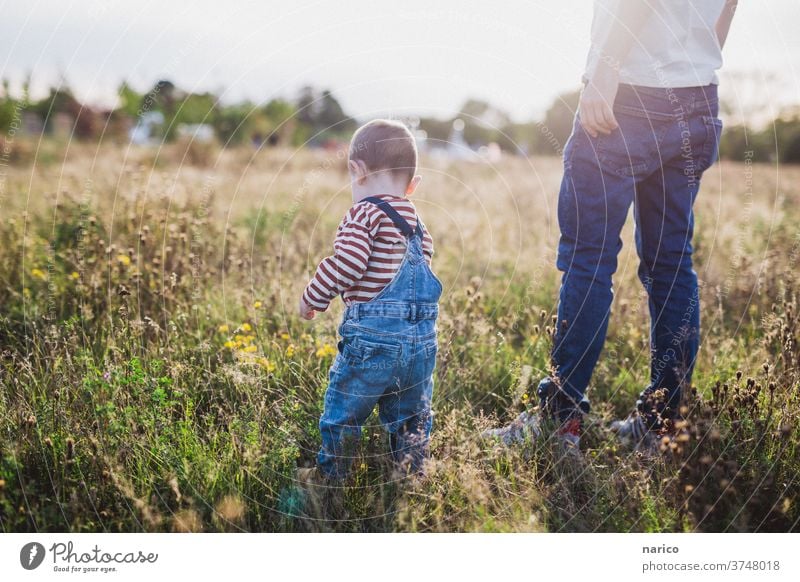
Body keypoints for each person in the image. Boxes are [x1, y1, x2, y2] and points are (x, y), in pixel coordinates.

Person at [485, 0, 738, 451]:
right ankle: (662, 427)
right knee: (672, 265)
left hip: (632, 93)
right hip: (698, 96)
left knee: (590, 260)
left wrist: (605, 69)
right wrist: (695, 60)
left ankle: (558, 421)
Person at [298, 119, 442, 487]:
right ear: (412, 185)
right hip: (420, 345)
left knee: (345, 414)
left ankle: (331, 481)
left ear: (356, 171)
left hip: (373, 343)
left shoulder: (364, 213)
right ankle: (410, 479)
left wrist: (313, 297)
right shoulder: (418, 224)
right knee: (411, 420)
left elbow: (348, 264)